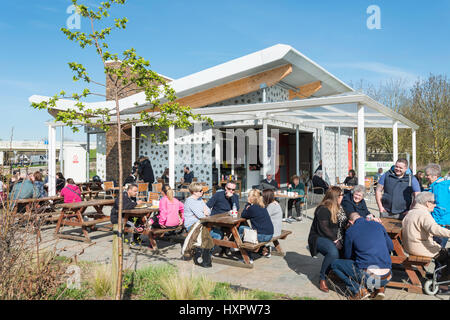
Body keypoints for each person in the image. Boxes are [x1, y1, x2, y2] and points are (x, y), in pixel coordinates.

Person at [331, 212, 394, 300]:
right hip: (387, 275)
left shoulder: (350, 230)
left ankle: (359, 291)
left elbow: (348, 256)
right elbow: (391, 247)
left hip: (370, 276)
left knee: (335, 264)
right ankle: (380, 289)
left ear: (350, 222)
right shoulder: (378, 225)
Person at [307, 186, 344, 293]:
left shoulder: (338, 207)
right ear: (336, 197)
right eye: (341, 195)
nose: (343, 197)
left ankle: (337, 273)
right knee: (333, 252)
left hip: (331, 236)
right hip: (318, 237)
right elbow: (324, 228)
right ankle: (323, 278)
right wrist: (336, 240)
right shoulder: (323, 208)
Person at [239, 189, 274, 261]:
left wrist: (248, 204)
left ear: (251, 198)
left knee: (242, 228)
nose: (247, 197)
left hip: (262, 236)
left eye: (248, 196)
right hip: (270, 234)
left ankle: (246, 255)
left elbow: (243, 215)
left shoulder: (252, 208)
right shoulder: (262, 206)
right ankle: (264, 249)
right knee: (248, 230)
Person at [424, 163, 450, 248]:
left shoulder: (440, 187)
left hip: (441, 223)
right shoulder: (438, 185)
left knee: (438, 252)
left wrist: (435, 222)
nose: (426, 177)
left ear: (435, 176)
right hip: (442, 222)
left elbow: (441, 207)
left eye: (428, 175)